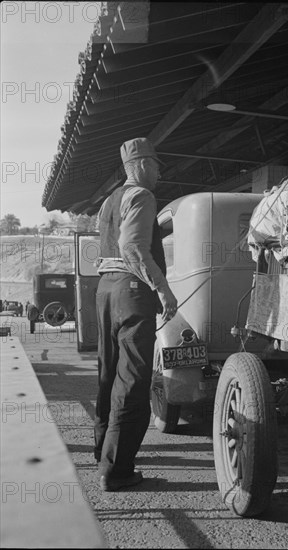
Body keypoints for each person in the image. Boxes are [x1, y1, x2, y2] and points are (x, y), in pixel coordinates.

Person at [94, 137, 178, 491]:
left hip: (105, 290)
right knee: (133, 380)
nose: (159, 172)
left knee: (109, 372)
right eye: (156, 165)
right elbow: (133, 248)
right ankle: (117, 471)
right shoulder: (141, 195)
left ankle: (103, 453)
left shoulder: (107, 202)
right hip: (131, 292)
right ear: (141, 164)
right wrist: (163, 290)